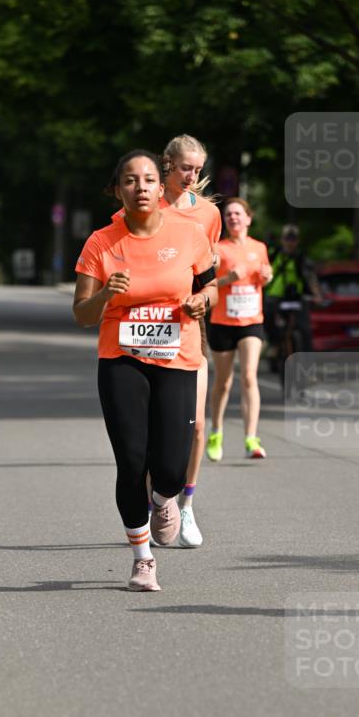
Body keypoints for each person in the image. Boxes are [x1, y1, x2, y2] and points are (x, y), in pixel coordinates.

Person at [73, 150, 217, 591]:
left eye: (149, 180)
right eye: (131, 181)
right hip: (122, 359)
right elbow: (81, 313)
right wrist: (106, 296)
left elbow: (210, 284)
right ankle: (142, 559)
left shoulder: (190, 234)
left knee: (172, 467)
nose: (141, 188)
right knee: (132, 460)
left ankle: (164, 499)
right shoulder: (101, 242)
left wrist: (201, 301)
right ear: (118, 190)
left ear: (162, 186)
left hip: (177, 357)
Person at [159, 134, 221, 547]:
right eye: (185, 167)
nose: (192, 176)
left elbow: (208, 275)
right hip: (149, 324)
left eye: (197, 169)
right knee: (155, 427)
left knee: (195, 424)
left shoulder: (209, 214)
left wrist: (203, 299)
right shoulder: (145, 205)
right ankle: (157, 500)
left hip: (191, 326)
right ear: (167, 164)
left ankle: (187, 505)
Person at [206, 198, 272, 461]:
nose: (233, 218)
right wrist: (228, 279)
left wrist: (267, 278)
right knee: (224, 382)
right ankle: (216, 431)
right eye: (228, 214)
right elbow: (207, 285)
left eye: (237, 213)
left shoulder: (260, 247)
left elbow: (263, 277)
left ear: (248, 218)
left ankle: (251, 439)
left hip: (251, 321)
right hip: (222, 322)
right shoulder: (217, 249)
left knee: (248, 376)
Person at [264, 224, 321, 355]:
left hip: (298, 296)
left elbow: (311, 277)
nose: (290, 242)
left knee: (305, 329)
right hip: (276, 295)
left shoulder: (302, 257)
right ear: (282, 240)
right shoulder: (275, 254)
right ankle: (274, 344)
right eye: (287, 239)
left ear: (297, 241)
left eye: (293, 239)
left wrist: (316, 295)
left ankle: (307, 360)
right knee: (268, 316)